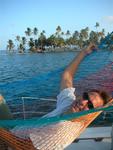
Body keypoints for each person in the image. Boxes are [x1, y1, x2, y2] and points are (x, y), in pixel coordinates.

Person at [43, 43, 112, 118]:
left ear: (92, 113)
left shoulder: (68, 127)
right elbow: (67, 76)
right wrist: (84, 52)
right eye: (85, 96)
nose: (82, 102)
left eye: (90, 105)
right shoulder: (68, 102)